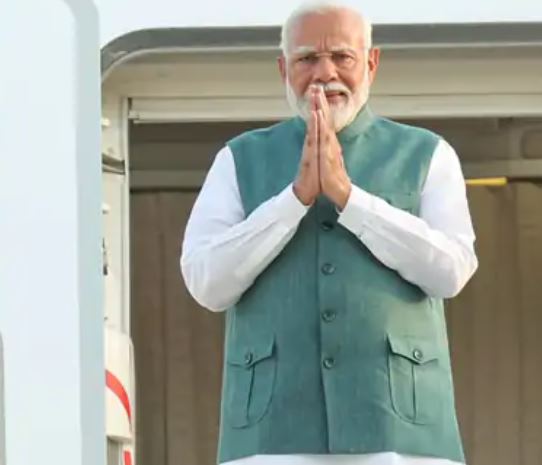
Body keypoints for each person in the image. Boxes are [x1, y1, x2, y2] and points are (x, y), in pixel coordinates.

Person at [180, 2, 478, 465]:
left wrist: (349, 199)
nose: (324, 73)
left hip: (400, 434)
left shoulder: (427, 154)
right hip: (271, 434)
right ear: (284, 69)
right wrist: (293, 201)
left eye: (342, 56)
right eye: (307, 59)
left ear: (371, 63)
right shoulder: (238, 159)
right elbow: (206, 281)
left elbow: (452, 271)